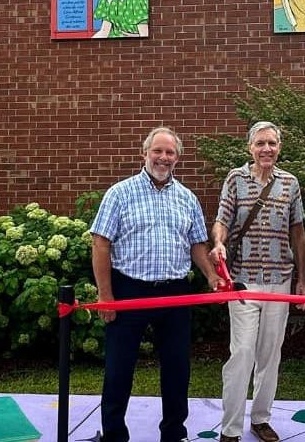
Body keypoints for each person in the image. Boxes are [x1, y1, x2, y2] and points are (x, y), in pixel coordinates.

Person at [91, 126, 224, 442]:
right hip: (129, 291)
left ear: (178, 158)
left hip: (176, 293)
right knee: (119, 369)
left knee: (178, 368)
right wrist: (106, 295)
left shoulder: (187, 198)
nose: (163, 158)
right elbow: (100, 244)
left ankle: (174, 433)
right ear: (145, 153)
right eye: (158, 151)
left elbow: (196, 245)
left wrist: (212, 277)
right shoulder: (119, 193)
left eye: (170, 152)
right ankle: (113, 434)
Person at [210, 121, 305, 442]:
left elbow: (298, 232)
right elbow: (222, 220)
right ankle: (230, 428)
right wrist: (219, 242)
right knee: (241, 352)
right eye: (260, 143)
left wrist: (302, 281)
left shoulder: (290, 183)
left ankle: (261, 418)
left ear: (279, 148)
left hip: (280, 279)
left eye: (272, 143)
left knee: (270, 353)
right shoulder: (235, 179)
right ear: (250, 148)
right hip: (242, 281)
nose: (266, 149)